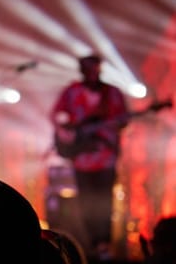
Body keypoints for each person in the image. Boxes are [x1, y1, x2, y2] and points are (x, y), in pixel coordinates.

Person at [50, 54, 129, 260]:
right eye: (88, 69)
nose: (92, 73)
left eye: (95, 69)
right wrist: (64, 131)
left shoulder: (112, 93)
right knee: (85, 201)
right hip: (82, 159)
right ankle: (93, 245)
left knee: (104, 201)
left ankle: (104, 246)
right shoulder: (71, 92)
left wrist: (112, 126)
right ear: (82, 70)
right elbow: (56, 115)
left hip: (105, 157)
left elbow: (123, 120)